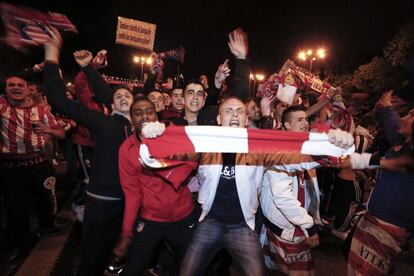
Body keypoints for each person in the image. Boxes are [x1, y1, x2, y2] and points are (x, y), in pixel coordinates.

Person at [141, 96, 355, 275]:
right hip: (209, 223)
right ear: (218, 118)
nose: (234, 114)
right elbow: (171, 154)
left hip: (242, 227)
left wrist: (331, 145)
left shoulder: (259, 148)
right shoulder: (204, 144)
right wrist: (156, 136)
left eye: (239, 111)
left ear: (245, 119)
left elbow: (297, 158)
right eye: (228, 111)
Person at [42, 28, 134, 275]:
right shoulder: (102, 122)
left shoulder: (143, 128)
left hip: (133, 206)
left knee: (122, 258)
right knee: (92, 259)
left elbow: (108, 94)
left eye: (129, 95)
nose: (124, 98)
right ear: (112, 104)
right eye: (120, 96)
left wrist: (90, 69)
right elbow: (59, 100)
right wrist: (52, 55)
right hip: (103, 203)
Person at [114, 97, 198, 275]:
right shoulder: (126, 149)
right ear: (131, 119)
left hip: (183, 218)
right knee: (134, 268)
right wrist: (126, 232)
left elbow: (192, 164)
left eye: (149, 112)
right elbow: (132, 193)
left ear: (156, 115)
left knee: (192, 269)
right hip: (150, 219)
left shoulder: (173, 135)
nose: (144, 116)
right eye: (137, 113)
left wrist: (163, 146)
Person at [347, 92, 414, 275]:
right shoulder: (401, 142)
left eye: (412, 115)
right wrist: (386, 106)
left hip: (389, 227)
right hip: (372, 219)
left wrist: (384, 163)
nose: (405, 117)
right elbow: (393, 124)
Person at [0, 75, 64, 259]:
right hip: (10, 166)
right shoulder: (2, 105)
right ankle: (20, 242)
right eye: (11, 85)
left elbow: (59, 133)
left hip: (38, 163)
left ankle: (47, 226)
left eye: (21, 85)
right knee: (15, 207)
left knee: (47, 198)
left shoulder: (41, 111)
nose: (16, 88)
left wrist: (48, 133)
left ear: (28, 89)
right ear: (5, 88)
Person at [260, 105, 322, 275]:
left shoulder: (304, 148)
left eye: (306, 119)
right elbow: (282, 198)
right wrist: (309, 226)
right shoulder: (280, 151)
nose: (305, 123)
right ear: (286, 125)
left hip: (297, 223)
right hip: (287, 227)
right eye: (300, 120)